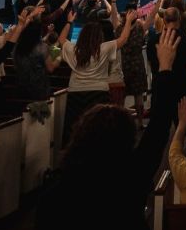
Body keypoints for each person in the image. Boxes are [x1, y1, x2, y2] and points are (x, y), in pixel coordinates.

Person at [35, 28, 182, 230]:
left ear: (80, 136)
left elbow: (58, 48)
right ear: (127, 138)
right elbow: (158, 127)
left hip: (75, 94)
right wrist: (165, 67)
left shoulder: (54, 195)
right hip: (97, 91)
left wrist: (64, 26)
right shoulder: (132, 176)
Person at [58, 9, 136, 144]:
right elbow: (123, 39)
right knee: (98, 130)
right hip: (98, 92)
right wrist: (128, 21)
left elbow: (61, 39)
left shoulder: (74, 51)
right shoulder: (104, 48)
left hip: (75, 94)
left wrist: (69, 22)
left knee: (75, 130)